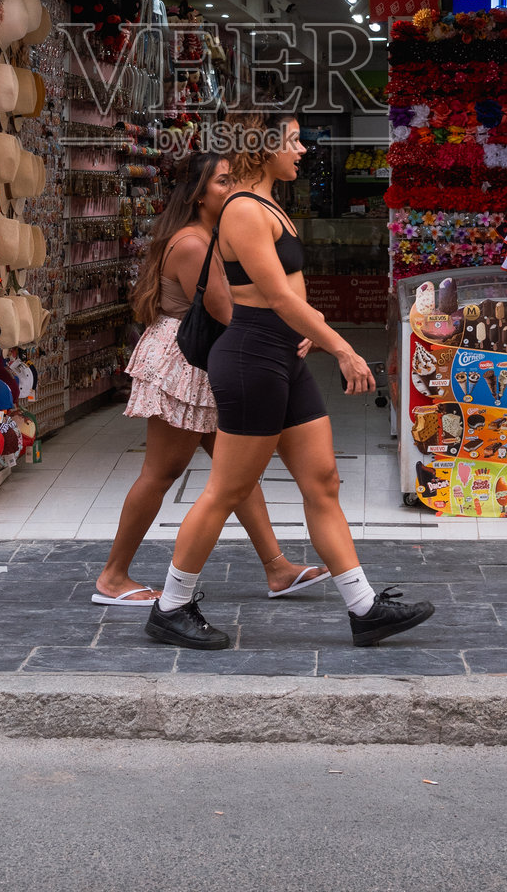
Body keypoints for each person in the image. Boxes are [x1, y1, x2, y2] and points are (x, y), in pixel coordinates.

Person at [145, 112, 435, 649]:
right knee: (227, 489)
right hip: (252, 357)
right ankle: (171, 606)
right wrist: (342, 348)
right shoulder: (243, 211)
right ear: (262, 148)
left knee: (322, 479)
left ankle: (364, 606)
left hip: (280, 353)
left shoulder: (271, 205)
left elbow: (288, 297)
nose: (303, 149)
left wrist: (303, 330)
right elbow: (276, 297)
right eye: (294, 140)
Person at [92, 151, 330, 605]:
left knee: (234, 475)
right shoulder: (195, 244)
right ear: (199, 195)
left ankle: (277, 568)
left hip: (202, 358)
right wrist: (295, 326)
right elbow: (228, 312)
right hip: (187, 361)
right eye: (223, 182)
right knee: (162, 473)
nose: (233, 190)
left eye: (235, 181)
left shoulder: (212, 237)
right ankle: (112, 577)